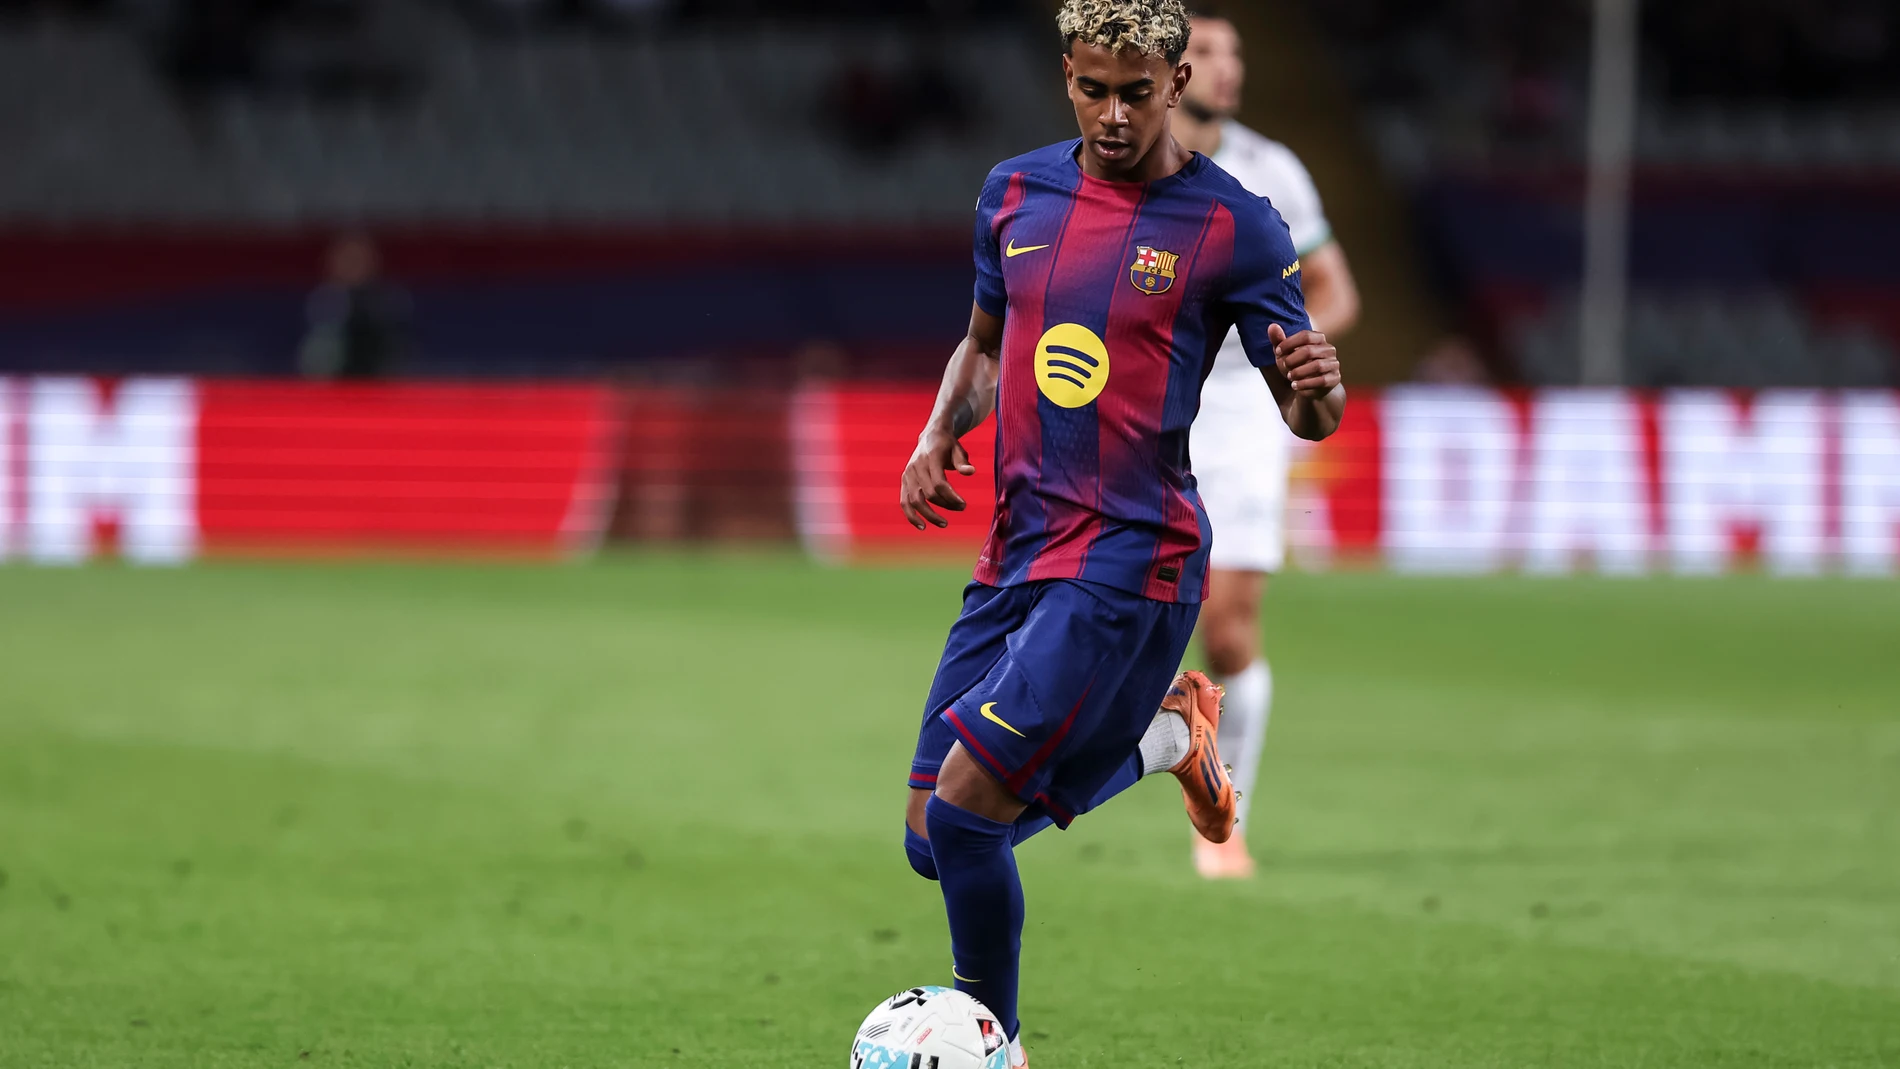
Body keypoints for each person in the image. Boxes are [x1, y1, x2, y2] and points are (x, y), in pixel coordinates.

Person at [895, 2, 1345, 1064]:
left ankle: (991, 1042)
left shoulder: (1235, 222)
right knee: (932, 842)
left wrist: (1319, 391)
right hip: (1016, 549)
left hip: (1129, 556)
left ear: (1177, 79)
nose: (1111, 113)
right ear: (1067, 76)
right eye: (1092, 89)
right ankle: (1171, 737)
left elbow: (1305, 409)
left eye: (1134, 91)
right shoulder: (1015, 190)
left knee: (966, 823)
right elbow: (981, 342)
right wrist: (934, 434)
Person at [1170, 5, 1362, 879]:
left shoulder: (1270, 168)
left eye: (1235, 52)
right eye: (1207, 51)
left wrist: (1283, 337)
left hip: (1248, 411)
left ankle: (1227, 813)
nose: (1226, 67)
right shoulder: (1135, 163)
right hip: (1156, 407)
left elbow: (1337, 290)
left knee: (1229, 625)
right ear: (1171, 65)